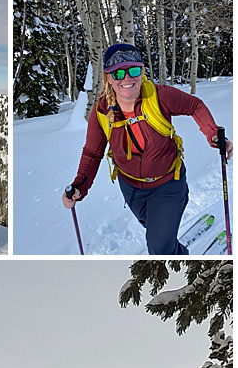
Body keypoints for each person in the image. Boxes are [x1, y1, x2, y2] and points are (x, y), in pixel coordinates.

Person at [62, 43, 233, 255]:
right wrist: (80, 185)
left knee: (158, 248)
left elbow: (194, 106)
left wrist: (212, 133)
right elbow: (93, 152)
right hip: (131, 189)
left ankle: (177, 257)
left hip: (168, 184)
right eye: (118, 73)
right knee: (157, 236)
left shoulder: (159, 97)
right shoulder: (102, 111)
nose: (126, 79)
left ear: (141, 72)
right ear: (108, 78)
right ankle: (173, 248)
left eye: (133, 70)